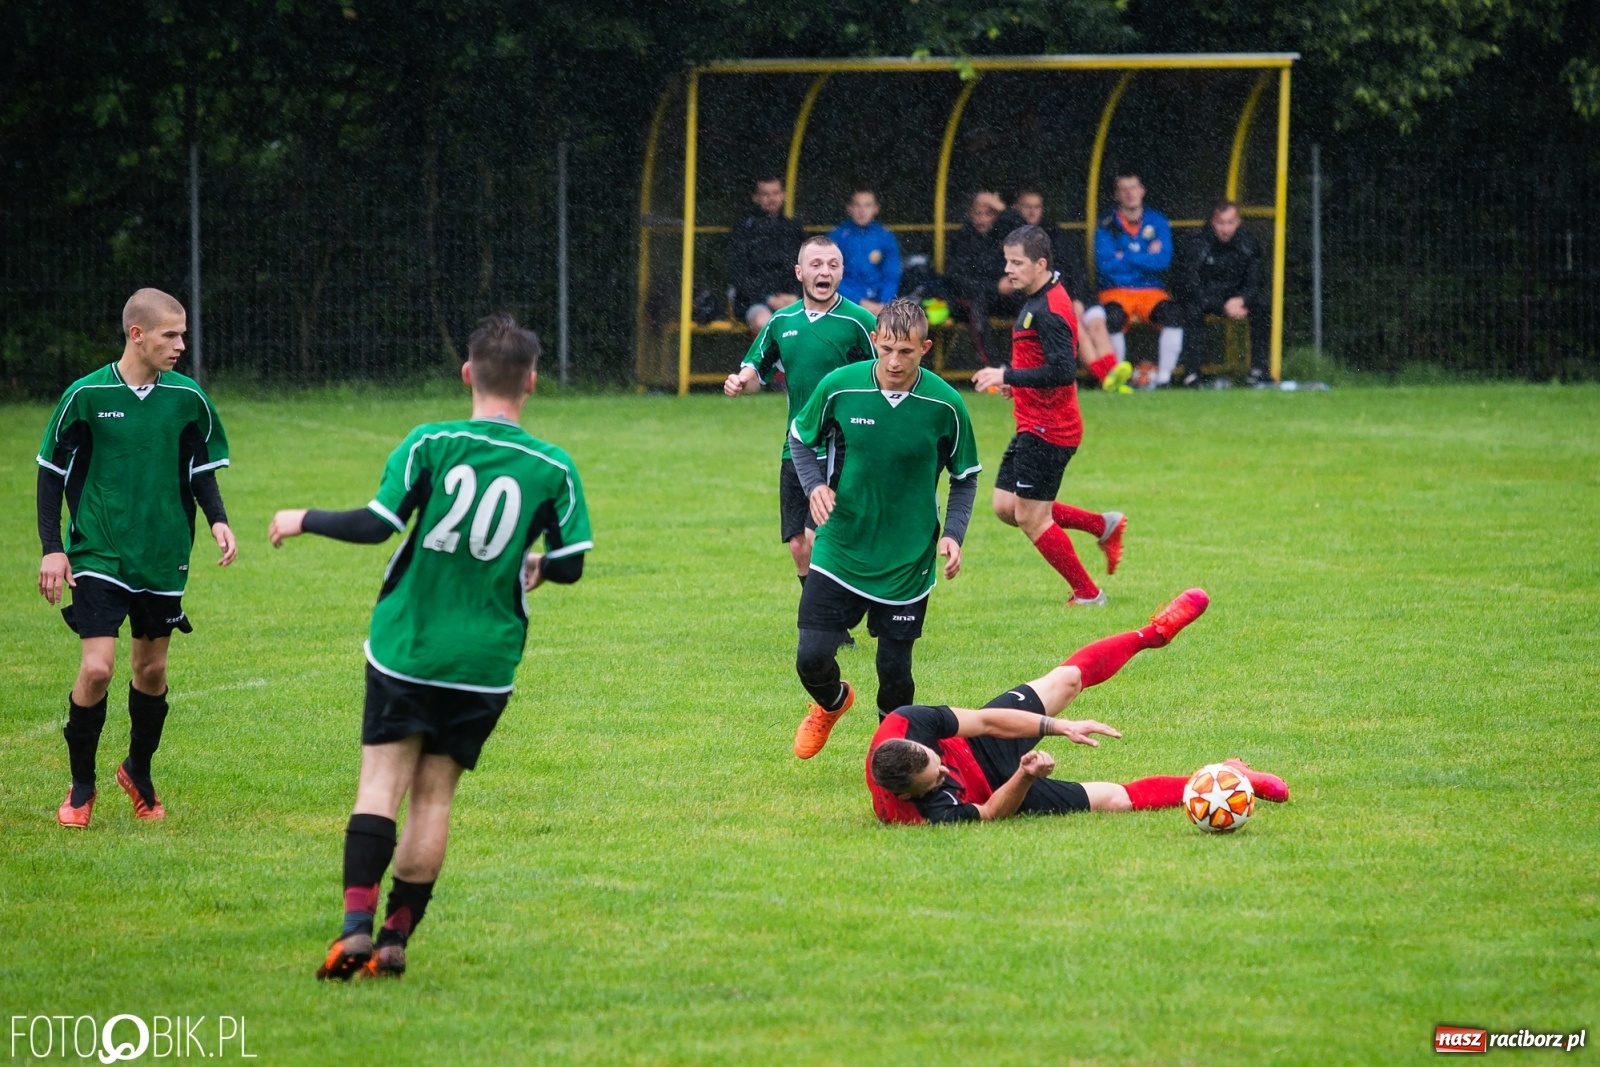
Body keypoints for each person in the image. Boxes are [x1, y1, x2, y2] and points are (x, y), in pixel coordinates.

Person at [267, 314, 591, 980]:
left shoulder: (431, 443)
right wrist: (535, 564)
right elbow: (571, 564)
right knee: (435, 798)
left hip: (407, 647)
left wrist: (302, 518)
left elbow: (376, 525)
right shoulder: (553, 467)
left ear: (468, 373)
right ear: (532, 382)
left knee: (380, 785)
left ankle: (354, 928)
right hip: (485, 662)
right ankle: (394, 940)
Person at [37, 288, 237, 828]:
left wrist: (217, 519)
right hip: (98, 550)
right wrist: (53, 549)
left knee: (151, 670)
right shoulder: (85, 395)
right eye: (171, 335)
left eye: (183, 335)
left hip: (163, 552)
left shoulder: (187, 399)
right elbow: (51, 473)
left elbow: (200, 468)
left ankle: (138, 772)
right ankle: (82, 787)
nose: (181, 345)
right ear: (137, 334)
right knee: (98, 667)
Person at [866, 588, 1290, 824]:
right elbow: (992, 812)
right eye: (936, 779)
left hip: (978, 743)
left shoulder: (906, 724)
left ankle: (1154, 634)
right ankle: (1229, 778)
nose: (944, 771)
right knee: (1114, 800)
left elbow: (985, 721)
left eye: (936, 761)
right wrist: (1024, 775)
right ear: (905, 794)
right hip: (999, 786)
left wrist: (1057, 726)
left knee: (1065, 680)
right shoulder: (923, 815)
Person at [786, 298, 980, 759]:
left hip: (907, 556)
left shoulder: (946, 404)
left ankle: (890, 757)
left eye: (906, 352)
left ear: (925, 348)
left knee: (895, 672)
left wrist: (953, 533)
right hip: (841, 545)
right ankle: (832, 703)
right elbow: (800, 437)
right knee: (811, 657)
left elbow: (965, 476)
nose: (894, 361)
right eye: (887, 348)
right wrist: (814, 486)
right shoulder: (840, 386)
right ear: (873, 340)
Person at [972, 225, 1125, 607]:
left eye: (1017, 263)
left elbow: (1062, 371)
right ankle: (1102, 525)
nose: (1009, 269)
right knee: (1006, 506)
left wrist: (1007, 375)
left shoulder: (1050, 309)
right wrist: (1017, 383)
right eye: (1007, 261)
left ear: (1040, 264)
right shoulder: (1038, 298)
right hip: (1032, 422)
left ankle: (1088, 593)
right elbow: (1041, 363)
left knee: (1031, 517)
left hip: (1049, 429)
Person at [723, 236, 876, 591]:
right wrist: (739, 381)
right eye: (816, 264)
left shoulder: (859, 322)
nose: (825, 272)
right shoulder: (782, 322)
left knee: (820, 535)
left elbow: (884, 376)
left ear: (841, 272)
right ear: (799, 272)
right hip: (798, 445)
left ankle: (834, 610)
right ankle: (824, 615)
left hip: (844, 447)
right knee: (798, 545)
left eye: (833, 265)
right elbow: (755, 371)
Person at [1009, 186, 1129, 393]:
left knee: (1098, 325)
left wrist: (1078, 298)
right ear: (1016, 209)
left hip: (1078, 296)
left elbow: (1076, 271)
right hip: (1053, 304)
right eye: (1027, 206)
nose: (1032, 211)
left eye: (1037, 207)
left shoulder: (1056, 234)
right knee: (1078, 330)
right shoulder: (1014, 239)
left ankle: (1112, 375)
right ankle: (1106, 379)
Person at [1093, 173, 1185, 387]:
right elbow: (1106, 265)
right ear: (1116, 195)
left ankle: (1164, 380)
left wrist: (1125, 255)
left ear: (1142, 190)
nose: (1130, 193)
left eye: (1134, 187)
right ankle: (1118, 379)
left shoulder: (1157, 221)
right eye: (1124, 189)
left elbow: (1163, 261)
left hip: (1150, 290)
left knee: (1173, 314)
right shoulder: (1106, 223)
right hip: (1115, 289)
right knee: (1112, 317)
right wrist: (1145, 257)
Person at [1173, 199, 1271, 385]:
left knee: (1262, 304)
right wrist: (1220, 306)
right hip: (1206, 298)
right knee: (1192, 310)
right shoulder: (1197, 243)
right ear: (1212, 222)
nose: (1225, 229)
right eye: (1220, 223)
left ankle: (1259, 369)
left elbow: (1257, 281)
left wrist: (1242, 300)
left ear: (1238, 222)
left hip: (1236, 299)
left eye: (1230, 222)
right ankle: (1192, 373)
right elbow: (1190, 286)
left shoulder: (1249, 243)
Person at [945, 190, 1019, 365]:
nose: (982, 219)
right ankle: (993, 366)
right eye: (978, 213)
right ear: (969, 214)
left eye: (989, 214)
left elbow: (1027, 230)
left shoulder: (1003, 233)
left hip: (1003, 295)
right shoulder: (960, 239)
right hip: (972, 299)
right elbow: (957, 281)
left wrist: (1001, 207)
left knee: (1029, 303)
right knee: (977, 305)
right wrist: (995, 287)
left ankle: (1025, 362)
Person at [728, 175, 806, 333]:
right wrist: (768, 298)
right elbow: (739, 274)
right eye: (765, 194)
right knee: (763, 322)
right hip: (753, 300)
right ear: (755, 197)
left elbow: (804, 267)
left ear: (783, 195)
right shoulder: (743, 229)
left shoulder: (793, 228)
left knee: (817, 322)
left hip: (790, 298)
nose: (771, 199)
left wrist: (795, 295)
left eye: (775, 193)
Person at [828, 188, 901, 314]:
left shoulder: (885, 236)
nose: (862, 211)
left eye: (867, 205)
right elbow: (831, 276)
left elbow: (892, 275)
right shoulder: (837, 236)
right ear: (849, 208)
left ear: (876, 209)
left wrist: (884, 303)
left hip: (879, 303)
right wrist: (859, 301)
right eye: (857, 205)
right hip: (845, 302)